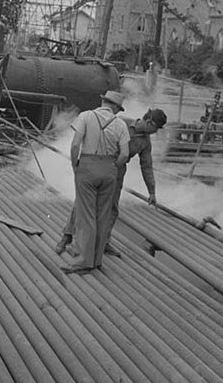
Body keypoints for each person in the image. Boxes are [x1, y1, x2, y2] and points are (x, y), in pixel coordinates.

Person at [56, 107, 168, 259]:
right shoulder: (121, 123)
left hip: (117, 172)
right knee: (84, 202)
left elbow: (146, 166)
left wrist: (152, 191)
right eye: (156, 128)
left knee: (112, 208)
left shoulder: (145, 143)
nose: (156, 132)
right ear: (149, 122)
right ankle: (67, 236)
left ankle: (104, 242)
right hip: (99, 164)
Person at [58, 90, 130, 274]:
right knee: (102, 215)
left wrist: (76, 165)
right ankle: (96, 260)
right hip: (109, 169)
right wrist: (113, 165)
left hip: (88, 167)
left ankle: (83, 260)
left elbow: (75, 145)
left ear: (104, 102)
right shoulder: (121, 125)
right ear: (115, 107)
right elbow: (125, 155)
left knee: (85, 216)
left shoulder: (86, 116)